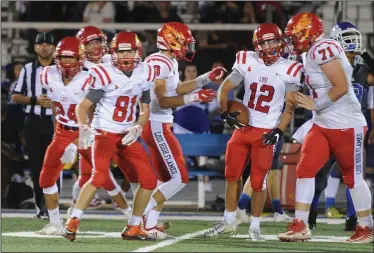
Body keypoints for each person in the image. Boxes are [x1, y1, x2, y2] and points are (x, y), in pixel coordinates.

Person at [278, 12, 372, 243]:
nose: (292, 41)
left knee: (353, 178)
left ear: (309, 32)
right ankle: (300, 224)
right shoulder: (312, 51)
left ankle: (365, 227)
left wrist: (314, 102)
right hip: (322, 122)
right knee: (305, 169)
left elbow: (340, 86)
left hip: (346, 123)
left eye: (296, 35)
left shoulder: (322, 48)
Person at [204, 23, 303, 240]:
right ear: (257, 45)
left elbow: (290, 107)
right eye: (264, 42)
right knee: (232, 176)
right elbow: (225, 87)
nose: (269, 46)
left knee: (259, 182)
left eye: (273, 40)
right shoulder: (247, 60)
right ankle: (229, 221)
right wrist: (224, 111)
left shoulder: (290, 68)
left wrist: (279, 130)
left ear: (281, 41)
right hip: (243, 128)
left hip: (265, 132)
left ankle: (255, 227)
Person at [63, 32, 157, 241]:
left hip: (126, 134)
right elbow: (83, 106)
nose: (126, 56)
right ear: (113, 53)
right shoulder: (104, 73)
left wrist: (138, 127)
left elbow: (144, 110)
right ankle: (73, 220)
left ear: (138, 52)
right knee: (99, 176)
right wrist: (83, 126)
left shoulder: (146, 72)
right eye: (122, 51)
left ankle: (133, 226)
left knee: (150, 180)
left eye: (130, 51)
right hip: (104, 133)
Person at [140, 22, 225, 239]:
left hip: (159, 124)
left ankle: (149, 225)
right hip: (156, 124)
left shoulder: (168, 61)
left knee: (163, 178)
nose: (187, 46)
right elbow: (164, 100)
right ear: (171, 40)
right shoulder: (160, 62)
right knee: (179, 178)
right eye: (184, 41)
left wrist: (206, 79)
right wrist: (195, 98)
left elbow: (177, 89)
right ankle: (141, 216)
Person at [308, 22, 374, 231]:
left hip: (353, 127)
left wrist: (366, 55)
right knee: (319, 174)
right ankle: (310, 215)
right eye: (346, 37)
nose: (351, 42)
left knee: (354, 176)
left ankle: (353, 219)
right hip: (328, 125)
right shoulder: (326, 63)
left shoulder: (363, 70)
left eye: (353, 37)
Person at [64, 25, 132, 217]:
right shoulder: (79, 67)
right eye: (90, 43)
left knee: (88, 175)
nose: (96, 47)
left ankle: (72, 211)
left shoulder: (111, 60)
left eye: (99, 41)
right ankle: (132, 216)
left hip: (114, 126)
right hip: (90, 127)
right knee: (103, 176)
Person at [35, 36, 89, 235]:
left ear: (80, 59)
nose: (67, 63)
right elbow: (56, 106)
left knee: (98, 177)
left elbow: (92, 116)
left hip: (86, 132)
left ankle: (134, 219)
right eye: (64, 58)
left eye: (72, 58)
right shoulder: (48, 74)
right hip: (62, 131)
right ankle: (55, 223)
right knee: (46, 178)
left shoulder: (89, 78)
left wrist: (75, 144)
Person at [12, 32, 56, 219]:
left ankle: (53, 206)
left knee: (55, 166)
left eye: (48, 44)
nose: (44, 47)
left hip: (56, 123)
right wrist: (35, 100)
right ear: (35, 47)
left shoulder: (62, 68)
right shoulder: (28, 69)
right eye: (41, 44)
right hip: (34, 122)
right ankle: (41, 207)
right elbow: (15, 96)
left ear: (54, 47)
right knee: (37, 165)